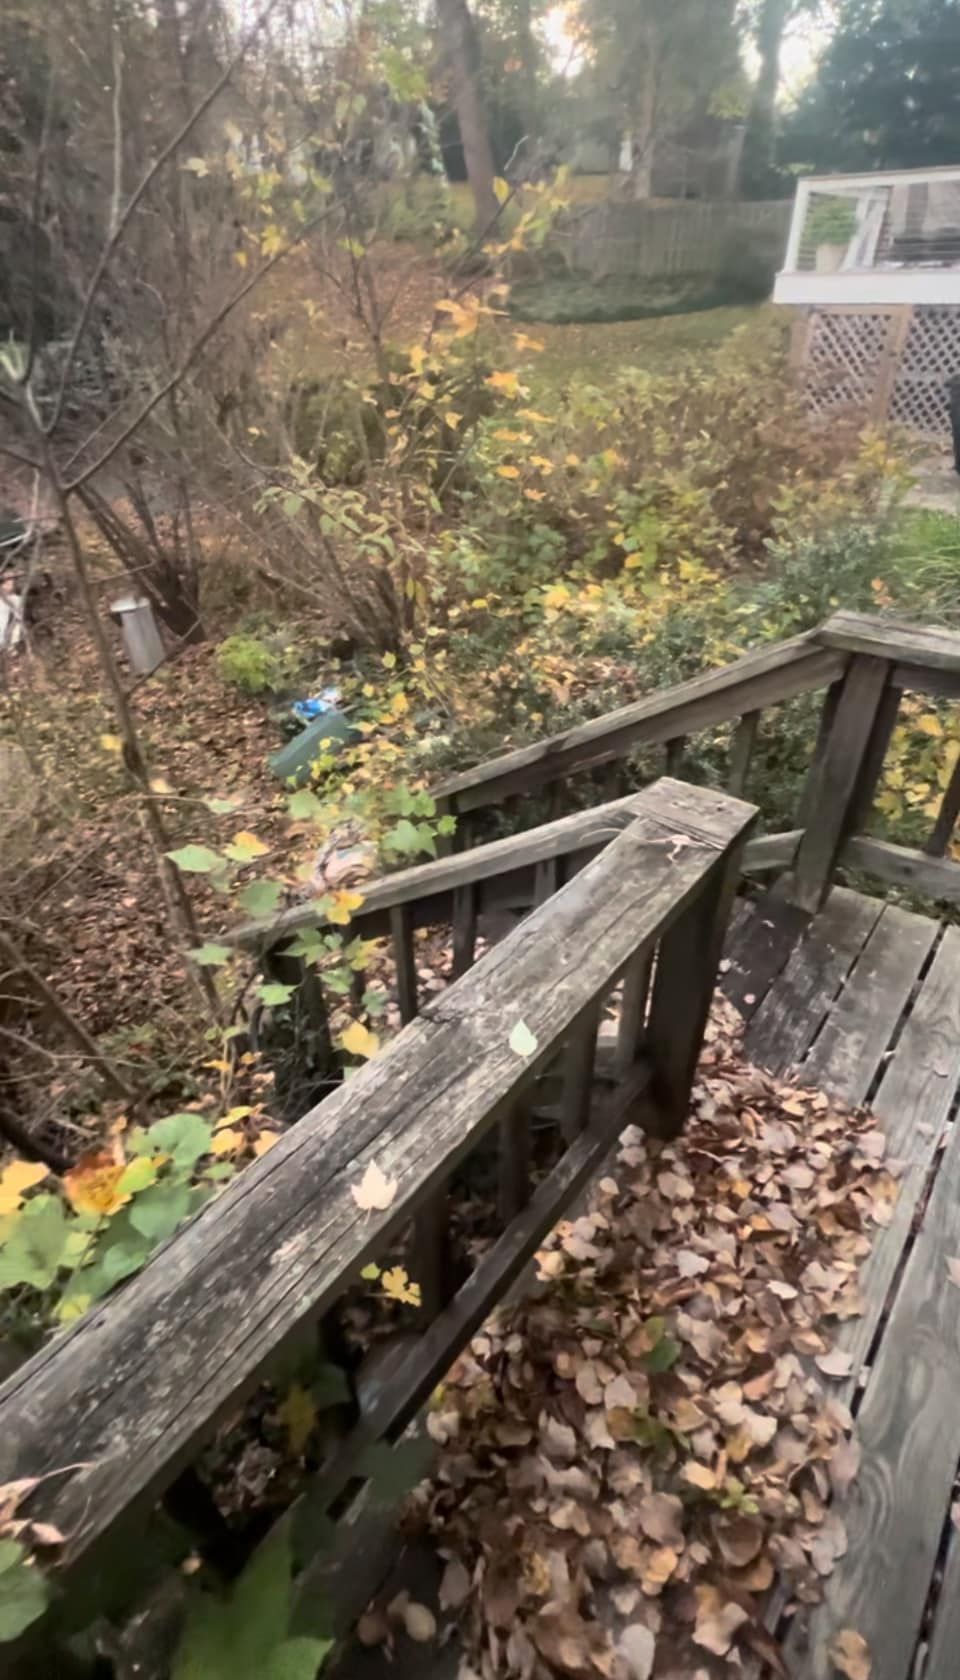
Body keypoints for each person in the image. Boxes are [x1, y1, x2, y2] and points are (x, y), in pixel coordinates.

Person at [0, 574, 25, 652]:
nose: (9, 587)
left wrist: (13, 643)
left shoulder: (15, 599)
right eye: (6, 584)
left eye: (11, 584)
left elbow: (18, 620)